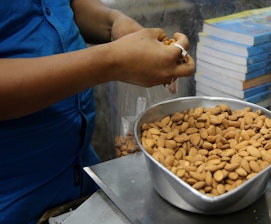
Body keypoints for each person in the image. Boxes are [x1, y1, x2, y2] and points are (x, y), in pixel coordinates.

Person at [0, 0, 195, 223]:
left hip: (83, 177)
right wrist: (113, 61)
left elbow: (63, 5)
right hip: (15, 202)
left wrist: (113, 22)